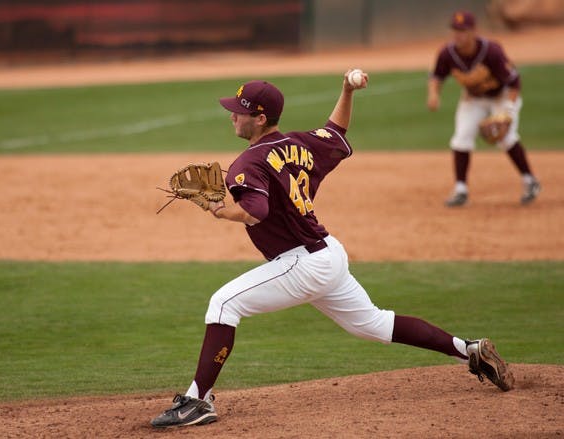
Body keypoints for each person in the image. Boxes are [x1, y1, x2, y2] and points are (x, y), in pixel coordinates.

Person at [150, 72, 514, 429]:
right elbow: (337, 131)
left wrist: (218, 209)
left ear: (260, 119)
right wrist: (347, 89)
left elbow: (254, 213)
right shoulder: (301, 142)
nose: (232, 115)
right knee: (374, 323)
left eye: (239, 111)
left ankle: (198, 400)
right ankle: (469, 349)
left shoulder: (247, 164)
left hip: (302, 263)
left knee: (224, 304)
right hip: (328, 255)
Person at [427, 10, 541, 207]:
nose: (458, 34)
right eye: (455, 30)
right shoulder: (447, 53)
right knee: (461, 139)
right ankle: (461, 190)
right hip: (474, 99)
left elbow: (514, 82)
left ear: (474, 31)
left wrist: (508, 112)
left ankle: (530, 181)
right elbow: (437, 76)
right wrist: (434, 94)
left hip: (502, 97)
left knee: (506, 137)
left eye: (462, 30)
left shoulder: (491, 51)